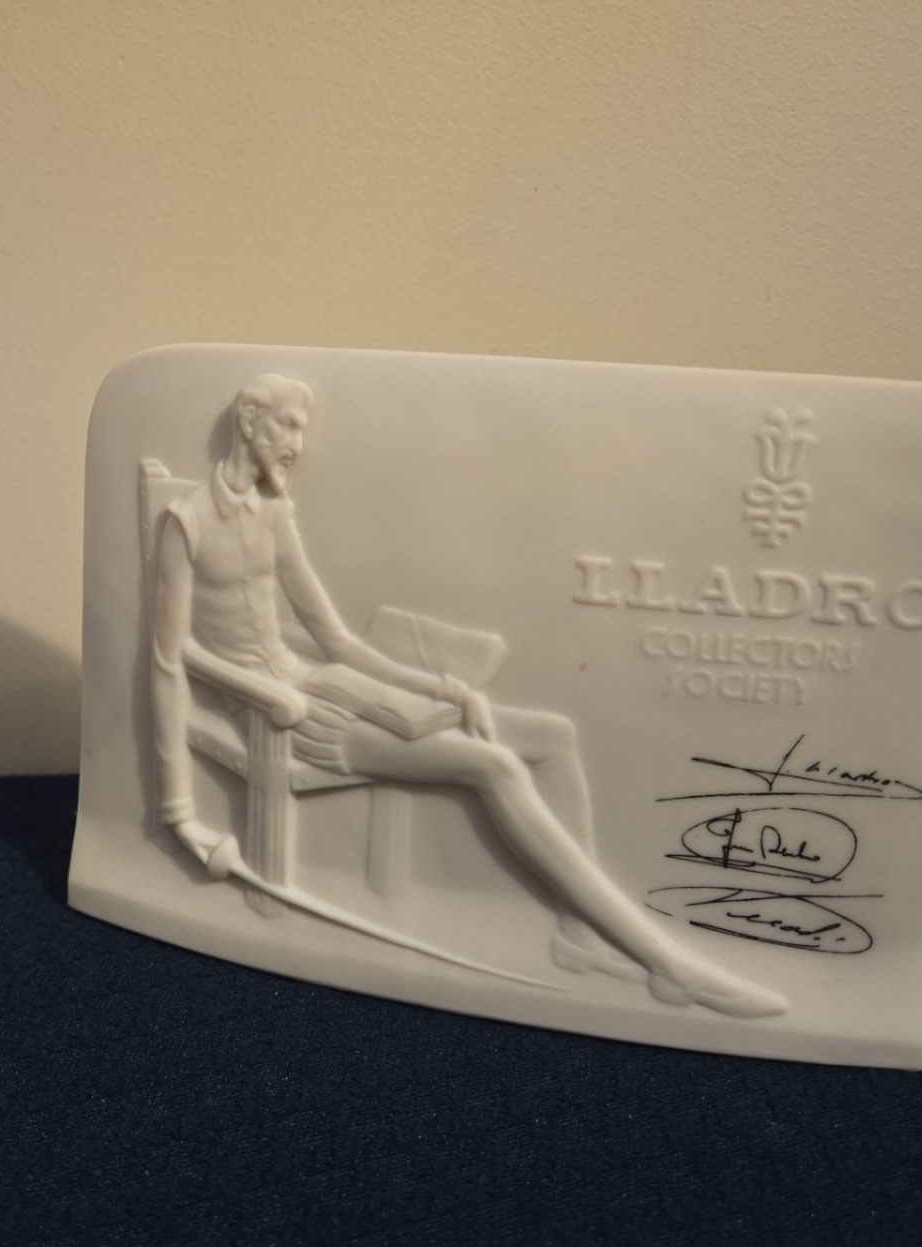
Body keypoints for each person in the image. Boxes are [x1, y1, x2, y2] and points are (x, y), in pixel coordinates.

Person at [150, 374, 785, 1018]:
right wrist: (180, 815)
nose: (298, 443)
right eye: (287, 425)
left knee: (552, 738)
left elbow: (335, 639)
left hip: (328, 684)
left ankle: (581, 937)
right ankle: (666, 964)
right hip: (287, 716)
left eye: (302, 428)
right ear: (248, 421)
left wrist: (443, 687)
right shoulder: (187, 522)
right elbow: (172, 659)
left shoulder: (274, 516)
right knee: (494, 765)